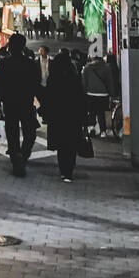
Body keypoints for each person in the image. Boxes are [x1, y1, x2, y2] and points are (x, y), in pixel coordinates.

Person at [0, 32, 41, 177]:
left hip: (10, 103)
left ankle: (16, 159)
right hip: (26, 102)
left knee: (12, 133)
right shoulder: (30, 64)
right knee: (30, 132)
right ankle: (23, 154)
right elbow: (36, 83)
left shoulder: (4, 64)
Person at [43, 50, 85, 181]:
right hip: (73, 116)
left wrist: (46, 113)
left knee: (61, 145)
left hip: (57, 116)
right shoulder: (75, 78)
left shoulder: (53, 79)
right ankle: (69, 171)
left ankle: (63, 171)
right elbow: (80, 98)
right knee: (71, 144)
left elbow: (48, 97)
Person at [82, 54, 114, 137]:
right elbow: (110, 82)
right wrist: (111, 93)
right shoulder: (107, 68)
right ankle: (103, 131)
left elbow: (84, 82)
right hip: (103, 94)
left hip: (91, 93)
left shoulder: (87, 67)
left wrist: (84, 92)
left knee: (92, 112)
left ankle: (91, 128)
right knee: (101, 112)